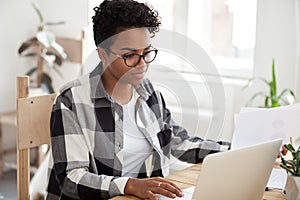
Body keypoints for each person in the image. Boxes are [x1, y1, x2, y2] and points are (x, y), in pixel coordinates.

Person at [45, 0, 231, 199]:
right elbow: (71, 179)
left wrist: (234, 150)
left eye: (146, 52)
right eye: (130, 55)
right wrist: (130, 186)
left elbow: (176, 142)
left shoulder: (148, 93)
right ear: (102, 54)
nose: (142, 64)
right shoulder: (70, 101)